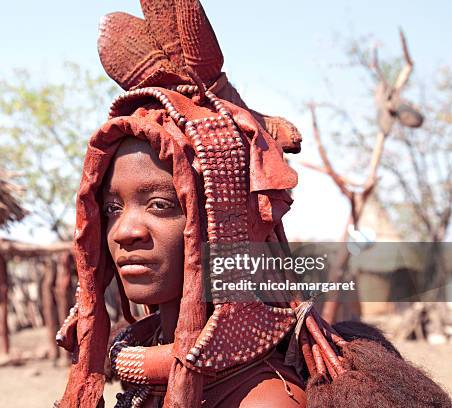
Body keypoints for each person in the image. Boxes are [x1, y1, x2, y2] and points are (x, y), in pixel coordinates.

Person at [54, 1, 452, 407]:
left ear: (225, 226)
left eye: (160, 205)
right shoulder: (144, 366)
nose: (125, 231)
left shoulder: (262, 400)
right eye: (112, 209)